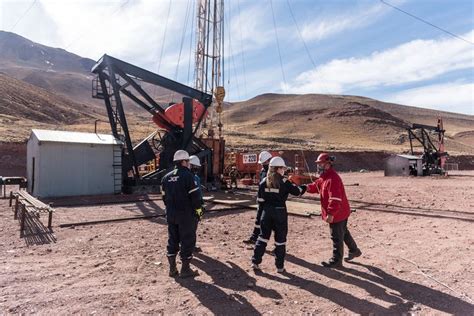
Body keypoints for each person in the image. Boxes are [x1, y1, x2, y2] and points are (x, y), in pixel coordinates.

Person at [301, 153, 361, 268]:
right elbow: (316, 186)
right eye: (318, 164)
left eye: (321, 163)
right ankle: (354, 250)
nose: (319, 166)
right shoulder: (324, 177)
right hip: (341, 211)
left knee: (336, 236)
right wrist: (305, 188)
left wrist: (330, 214)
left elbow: (335, 199)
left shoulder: (333, 178)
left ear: (328, 164)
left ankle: (336, 261)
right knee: (343, 232)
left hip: (338, 212)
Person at [251, 157, 304, 273]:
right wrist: (302, 187)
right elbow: (298, 191)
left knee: (262, 237)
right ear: (279, 169)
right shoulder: (284, 182)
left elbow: (260, 202)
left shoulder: (263, 181)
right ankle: (280, 267)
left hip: (266, 213)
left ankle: (255, 262)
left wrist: (259, 220)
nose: (284, 170)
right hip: (280, 213)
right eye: (283, 168)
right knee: (280, 241)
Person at [161, 150, 204, 278]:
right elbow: (196, 198)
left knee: (172, 240)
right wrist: (199, 212)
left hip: (171, 215)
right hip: (186, 216)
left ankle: (172, 269)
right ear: (184, 161)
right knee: (187, 240)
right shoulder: (189, 176)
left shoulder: (166, 178)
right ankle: (185, 270)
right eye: (188, 161)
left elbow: (164, 198)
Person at [243, 150, 273, 244]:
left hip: (268, 202)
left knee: (268, 222)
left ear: (269, 161)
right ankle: (254, 238)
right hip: (261, 200)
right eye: (262, 163)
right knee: (258, 220)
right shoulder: (263, 171)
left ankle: (269, 244)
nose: (263, 164)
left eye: (264, 162)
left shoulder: (272, 173)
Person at [189, 155, 205, 253]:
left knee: (195, 225)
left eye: (197, 167)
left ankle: (192, 245)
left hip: (198, 205)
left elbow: (199, 194)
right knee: (188, 227)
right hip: (189, 207)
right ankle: (186, 246)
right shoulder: (186, 177)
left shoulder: (196, 178)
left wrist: (201, 206)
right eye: (194, 166)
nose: (195, 168)